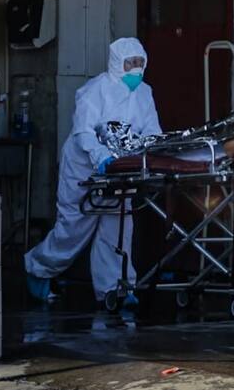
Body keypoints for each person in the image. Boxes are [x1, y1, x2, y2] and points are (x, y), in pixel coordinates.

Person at [25, 38, 162, 305]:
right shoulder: (95, 90)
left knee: (118, 229)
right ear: (117, 63)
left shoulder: (144, 93)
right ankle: (38, 268)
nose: (136, 69)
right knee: (73, 228)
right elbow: (83, 132)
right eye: (130, 63)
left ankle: (116, 288)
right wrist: (100, 156)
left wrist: (152, 154)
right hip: (84, 168)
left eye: (140, 62)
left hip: (120, 171)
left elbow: (152, 131)